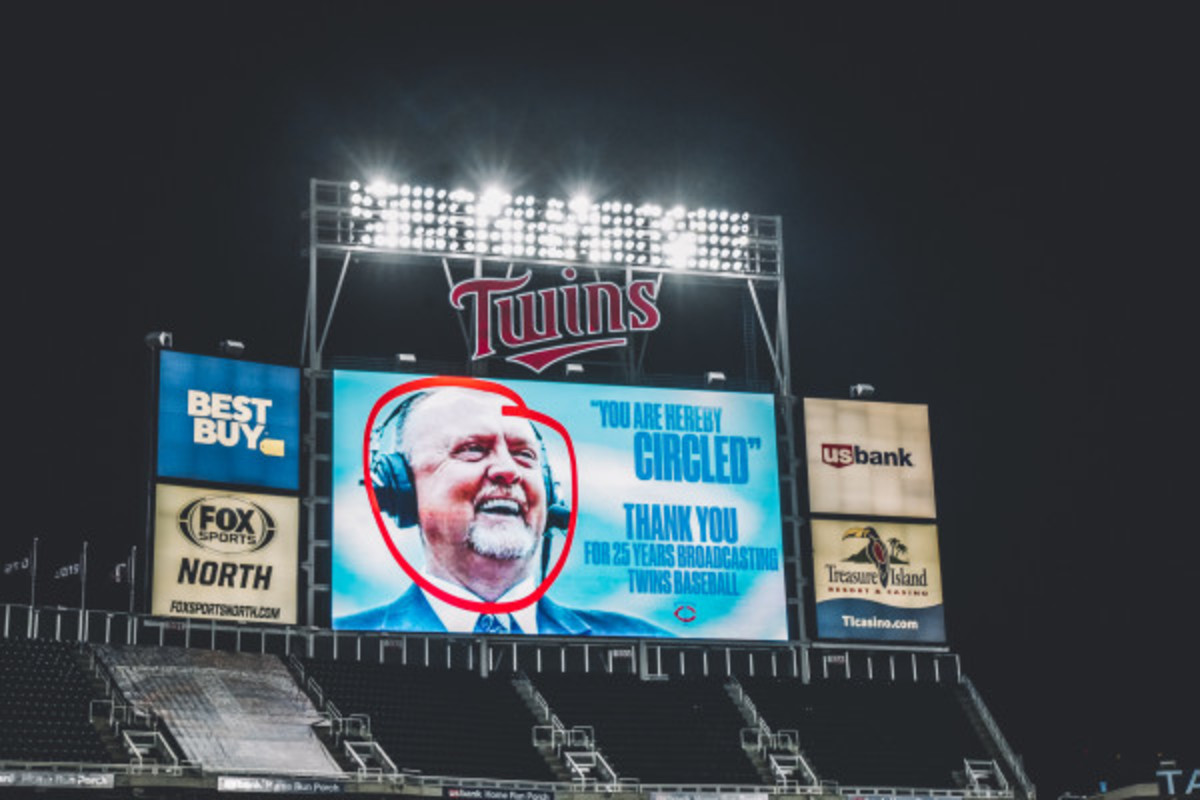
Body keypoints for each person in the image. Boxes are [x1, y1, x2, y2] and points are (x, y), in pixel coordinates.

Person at [336, 386, 669, 636]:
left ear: (551, 491)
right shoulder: (344, 641)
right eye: (472, 450)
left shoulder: (645, 639)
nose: (508, 471)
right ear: (401, 487)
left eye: (524, 455)